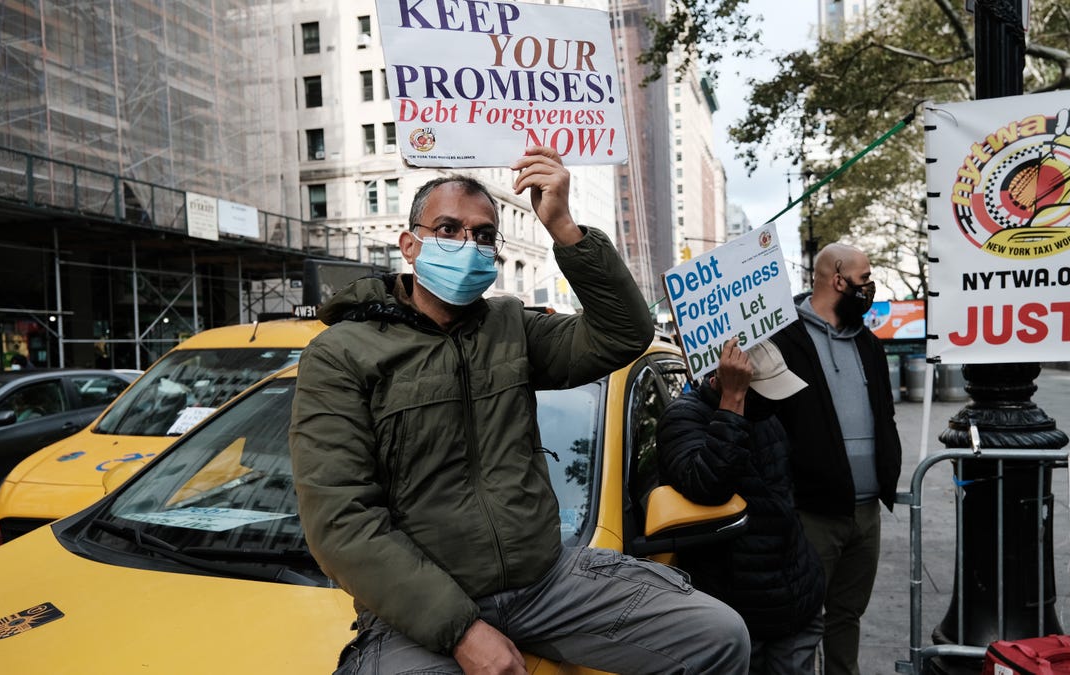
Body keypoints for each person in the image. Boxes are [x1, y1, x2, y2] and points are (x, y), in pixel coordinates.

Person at [289, 146, 750, 675]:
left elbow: (623, 334)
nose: (469, 244)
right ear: (410, 245)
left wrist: (563, 226)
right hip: (417, 610)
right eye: (449, 229)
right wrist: (460, 630)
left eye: (484, 234)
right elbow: (341, 519)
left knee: (719, 636)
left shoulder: (512, 326)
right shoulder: (342, 353)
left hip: (545, 583)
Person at [657, 337, 826, 675]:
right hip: (740, 612)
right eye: (762, 393)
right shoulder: (684, 417)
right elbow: (709, 486)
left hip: (794, 599)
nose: (772, 403)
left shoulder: (763, 414)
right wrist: (732, 402)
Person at [772, 242, 902, 675]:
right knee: (802, 621)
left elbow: (883, 412)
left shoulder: (867, 342)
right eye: (864, 280)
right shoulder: (784, 340)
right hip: (811, 513)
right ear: (837, 280)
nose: (870, 288)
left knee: (847, 616)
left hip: (866, 513)